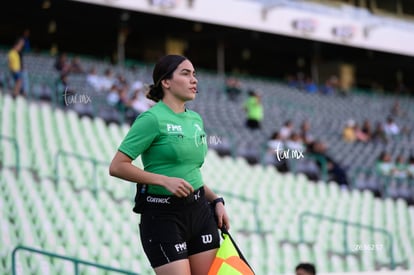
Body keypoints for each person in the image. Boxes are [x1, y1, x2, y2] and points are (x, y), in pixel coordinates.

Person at [109, 55, 230, 275]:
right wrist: (163, 181)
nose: (194, 80)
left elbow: (191, 172)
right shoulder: (151, 119)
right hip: (163, 217)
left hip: (200, 212)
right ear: (166, 82)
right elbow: (117, 166)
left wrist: (216, 200)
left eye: (194, 74)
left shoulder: (195, 119)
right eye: (185, 73)